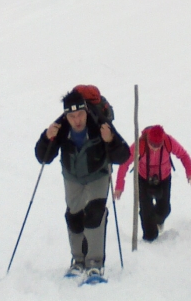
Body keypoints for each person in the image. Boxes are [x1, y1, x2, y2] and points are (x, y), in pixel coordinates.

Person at [35, 87, 130, 282]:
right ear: (66, 115)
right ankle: (78, 261)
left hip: (98, 175)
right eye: (72, 116)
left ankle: (95, 264)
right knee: (74, 216)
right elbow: (43, 157)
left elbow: (123, 155)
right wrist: (47, 138)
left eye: (80, 114)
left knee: (95, 214)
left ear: (86, 111)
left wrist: (110, 140)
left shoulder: (99, 123)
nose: (77, 120)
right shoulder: (60, 128)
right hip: (72, 176)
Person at [114, 124, 191, 242]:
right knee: (146, 212)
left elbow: (183, 155)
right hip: (143, 178)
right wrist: (119, 186)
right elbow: (124, 163)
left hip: (164, 178)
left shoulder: (169, 141)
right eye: (152, 144)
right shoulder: (140, 144)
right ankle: (149, 239)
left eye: (158, 145)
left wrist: (190, 173)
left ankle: (156, 220)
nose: (155, 148)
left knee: (165, 209)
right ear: (148, 139)